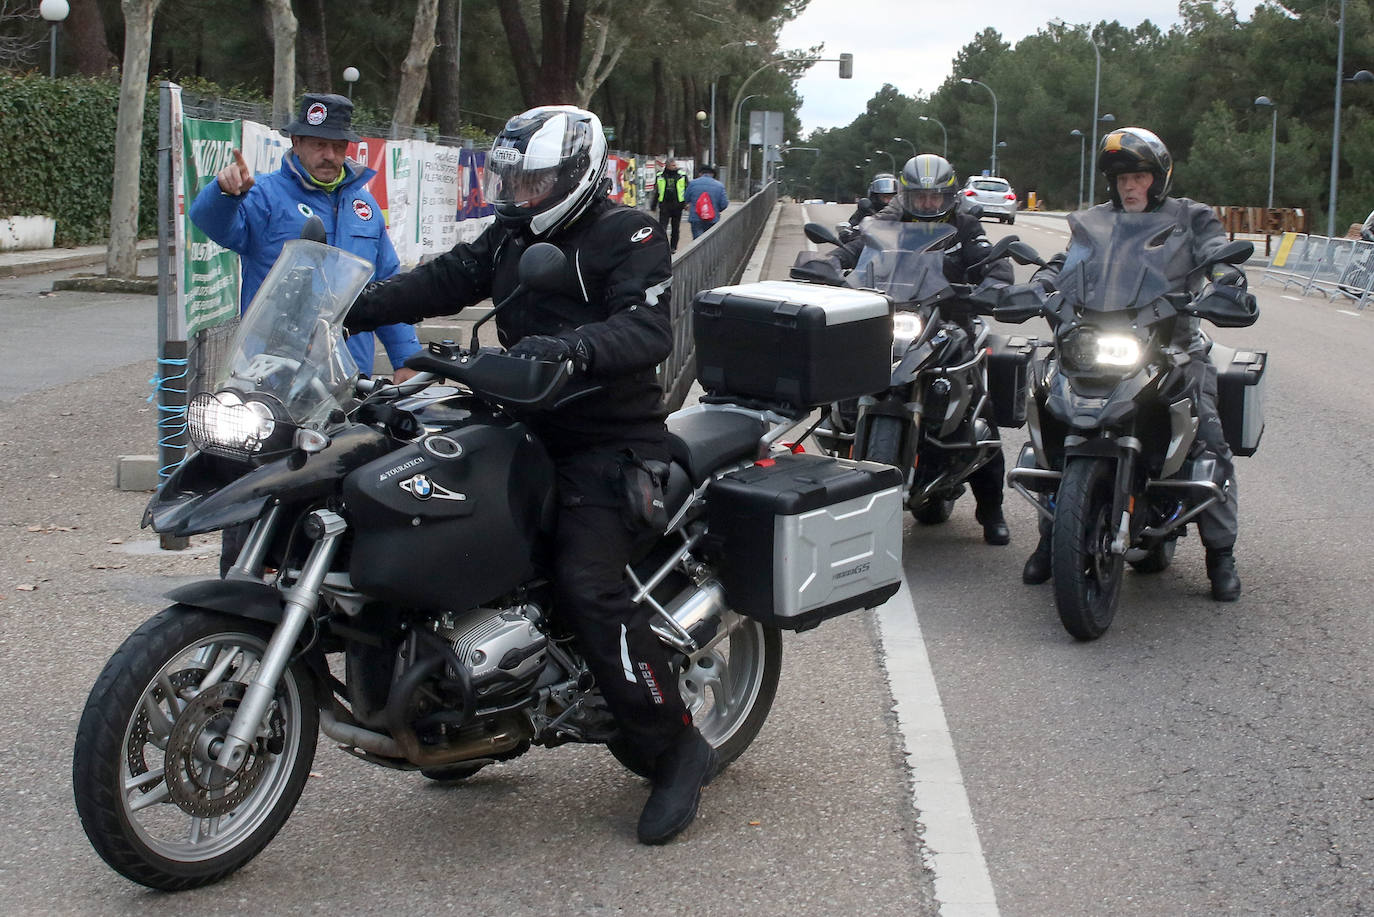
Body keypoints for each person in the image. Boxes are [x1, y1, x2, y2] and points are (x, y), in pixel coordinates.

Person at [343, 105, 713, 846]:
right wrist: (352, 306)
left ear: (579, 174)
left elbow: (645, 328)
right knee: (423, 516)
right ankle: (459, 704)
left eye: (536, 179)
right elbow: (447, 278)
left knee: (586, 583)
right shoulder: (511, 233)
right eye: (513, 178)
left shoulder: (629, 232)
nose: (522, 192)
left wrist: (569, 350)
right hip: (518, 421)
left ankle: (676, 749)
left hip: (606, 440)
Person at [1020, 127, 1245, 601]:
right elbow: (1065, 262)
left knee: (1210, 439)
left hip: (1171, 346)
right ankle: (1052, 538)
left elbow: (1216, 257)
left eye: (1139, 175)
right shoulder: (1094, 222)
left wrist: (1226, 282)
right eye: (1121, 177)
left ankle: (1220, 555)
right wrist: (1040, 283)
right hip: (1096, 341)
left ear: (1158, 176)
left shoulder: (1192, 217)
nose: (1129, 186)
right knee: (1053, 425)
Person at [830, 153, 1013, 546]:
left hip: (950, 321)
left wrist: (993, 282)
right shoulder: (885, 221)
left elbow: (988, 260)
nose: (928, 204)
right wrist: (830, 261)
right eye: (920, 196)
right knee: (843, 381)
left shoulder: (965, 224)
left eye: (935, 197)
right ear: (906, 194)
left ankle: (991, 510)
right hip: (892, 315)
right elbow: (856, 248)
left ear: (949, 195)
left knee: (980, 414)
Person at [190, 91, 420, 382]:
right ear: (296, 143)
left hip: (349, 373)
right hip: (271, 372)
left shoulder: (365, 207)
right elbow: (209, 222)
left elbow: (387, 286)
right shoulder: (263, 195)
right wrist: (223, 194)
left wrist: (405, 358)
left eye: (338, 147)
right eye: (319, 144)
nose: (330, 155)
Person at [684, 164, 728, 239]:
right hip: (712, 218)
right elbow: (724, 204)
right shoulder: (719, 185)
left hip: (696, 217)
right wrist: (716, 210)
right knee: (710, 241)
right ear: (713, 174)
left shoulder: (692, 184)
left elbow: (686, 198)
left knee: (697, 241)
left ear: (700, 174)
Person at [653, 159, 686, 252]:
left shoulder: (682, 175)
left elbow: (686, 189)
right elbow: (656, 192)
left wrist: (686, 203)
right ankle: (662, 245)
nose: (675, 167)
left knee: (675, 228)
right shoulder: (660, 176)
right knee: (662, 227)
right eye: (673, 165)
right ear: (667, 166)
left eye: (675, 165)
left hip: (677, 205)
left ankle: (673, 247)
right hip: (665, 205)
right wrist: (653, 205)